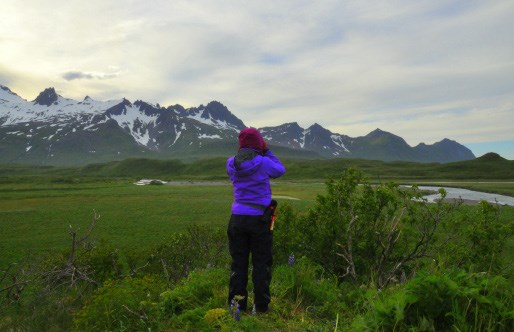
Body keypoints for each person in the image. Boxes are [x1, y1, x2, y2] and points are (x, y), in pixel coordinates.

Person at [226, 127, 286, 313]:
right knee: (261, 263)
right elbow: (280, 170)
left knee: (238, 263)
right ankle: (260, 307)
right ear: (259, 143)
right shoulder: (263, 162)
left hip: (237, 219)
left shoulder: (230, 163)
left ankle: (237, 306)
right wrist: (266, 150)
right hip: (259, 219)